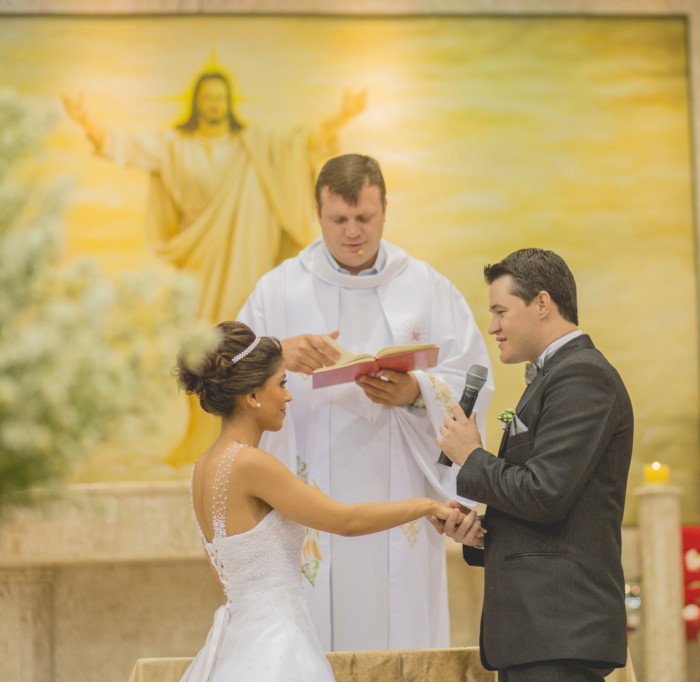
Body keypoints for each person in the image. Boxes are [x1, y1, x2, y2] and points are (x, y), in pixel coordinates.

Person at [236, 153, 493, 651]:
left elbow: (474, 380)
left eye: (365, 218)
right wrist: (278, 354)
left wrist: (416, 390)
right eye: (339, 220)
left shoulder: (427, 287)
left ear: (385, 210)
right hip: (308, 493)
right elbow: (227, 372)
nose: (353, 232)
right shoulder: (280, 289)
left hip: (401, 502)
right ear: (318, 214)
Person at [64, 70, 366, 468]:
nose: (213, 105)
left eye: (220, 97)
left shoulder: (254, 146)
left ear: (229, 102)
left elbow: (301, 143)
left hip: (247, 260)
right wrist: (90, 125)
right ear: (196, 102)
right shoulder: (177, 146)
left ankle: (244, 442)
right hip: (200, 263)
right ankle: (197, 439)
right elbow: (136, 149)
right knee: (203, 346)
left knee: (246, 347)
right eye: (206, 97)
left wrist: (340, 118)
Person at [174, 320, 456, 682]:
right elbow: (345, 521)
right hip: (275, 645)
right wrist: (426, 505)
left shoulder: (203, 466)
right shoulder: (248, 462)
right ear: (253, 396)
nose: (288, 396)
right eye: (282, 384)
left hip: (239, 638)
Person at [434, 248, 634, 681]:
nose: (493, 327)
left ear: (542, 303)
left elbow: (545, 493)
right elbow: (547, 507)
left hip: (559, 631)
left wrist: (471, 457)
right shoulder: (554, 376)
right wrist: (483, 533)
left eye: (501, 311)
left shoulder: (583, 376)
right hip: (538, 634)